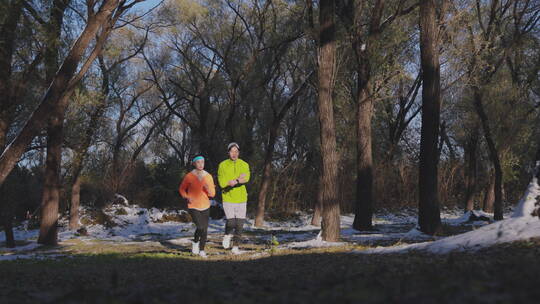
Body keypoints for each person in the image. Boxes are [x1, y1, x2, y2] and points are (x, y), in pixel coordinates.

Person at [179, 155, 216, 258]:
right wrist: (186, 197)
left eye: (202, 162)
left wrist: (208, 188)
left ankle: (202, 250)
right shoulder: (189, 176)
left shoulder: (208, 176)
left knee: (205, 229)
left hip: (205, 206)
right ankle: (195, 242)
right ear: (194, 163)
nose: (201, 164)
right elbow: (181, 189)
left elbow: (212, 194)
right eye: (198, 162)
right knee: (200, 227)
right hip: (193, 205)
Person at [217, 142, 250, 254]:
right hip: (228, 198)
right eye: (232, 151)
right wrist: (236, 180)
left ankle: (235, 246)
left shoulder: (244, 164)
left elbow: (246, 178)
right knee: (231, 222)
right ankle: (227, 235)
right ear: (228, 153)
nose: (234, 153)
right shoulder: (222, 165)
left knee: (240, 225)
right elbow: (222, 183)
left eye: (236, 151)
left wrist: (234, 181)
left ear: (239, 152)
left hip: (241, 198)